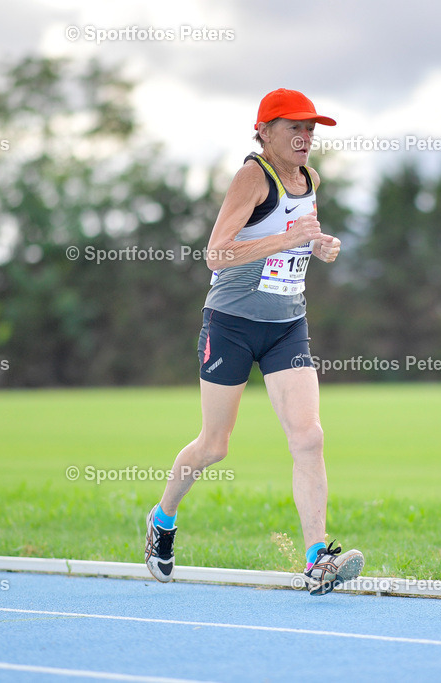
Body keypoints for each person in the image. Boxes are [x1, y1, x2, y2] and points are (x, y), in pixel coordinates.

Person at [144, 88, 364, 596]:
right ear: (264, 132)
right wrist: (289, 239)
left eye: (311, 128)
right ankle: (163, 516)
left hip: (289, 324)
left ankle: (316, 559)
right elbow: (217, 255)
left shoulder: (309, 178)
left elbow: (299, 233)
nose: (306, 137)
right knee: (215, 445)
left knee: (308, 436)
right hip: (232, 325)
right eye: (294, 127)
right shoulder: (252, 176)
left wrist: (318, 244)